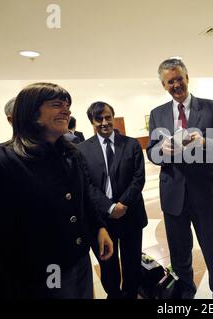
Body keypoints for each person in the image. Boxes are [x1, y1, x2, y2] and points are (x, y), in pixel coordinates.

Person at [0, 82, 114, 298]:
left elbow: (84, 199)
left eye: (68, 106)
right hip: (36, 275)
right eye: (56, 104)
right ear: (31, 113)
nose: (66, 110)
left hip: (79, 260)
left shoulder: (72, 154)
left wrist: (99, 227)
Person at [146, 58, 213, 299]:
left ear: (187, 78)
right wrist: (162, 150)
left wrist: (204, 141)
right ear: (164, 85)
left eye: (179, 79)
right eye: (170, 81)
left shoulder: (211, 107)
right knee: (179, 252)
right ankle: (184, 295)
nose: (176, 85)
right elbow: (151, 152)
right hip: (173, 195)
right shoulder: (157, 114)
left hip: (206, 193)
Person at [78, 101, 148, 299]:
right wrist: (109, 207)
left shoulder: (131, 144)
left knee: (131, 260)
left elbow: (138, 178)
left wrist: (122, 204)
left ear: (113, 117)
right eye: (98, 119)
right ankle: (114, 295)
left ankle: (131, 293)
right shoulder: (82, 150)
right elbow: (87, 184)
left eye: (108, 117)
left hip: (130, 213)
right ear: (91, 121)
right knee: (107, 263)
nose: (104, 122)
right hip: (101, 219)